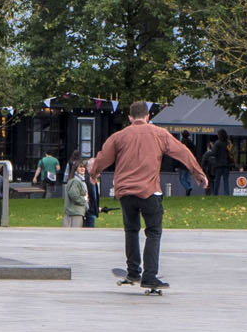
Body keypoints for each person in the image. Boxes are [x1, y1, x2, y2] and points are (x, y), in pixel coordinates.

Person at [89, 100, 207, 291]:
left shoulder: (119, 136)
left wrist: (94, 175)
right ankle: (150, 276)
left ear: (130, 118)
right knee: (153, 232)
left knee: (131, 230)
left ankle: (133, 271)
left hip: (125, 192)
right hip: (149, 191)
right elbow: (182, 151)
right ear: (147, 117)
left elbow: (102, 158)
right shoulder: (159, 134)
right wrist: (197, 172)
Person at [202, 130, 233, 197]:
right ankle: (226, 194)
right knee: (226, 181)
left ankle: (215, 193)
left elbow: (214, 152)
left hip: (218, 164)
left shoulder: (217, 143)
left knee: (217, 181)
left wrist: (207, 154)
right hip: (226, 164)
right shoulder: (228, 143)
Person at [63, 160, 90, 228]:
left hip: (76, 212)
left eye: (84, 167)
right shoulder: (75, 181)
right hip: (74, 214)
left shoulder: (80, 180)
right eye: (80, 167)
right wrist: (85, 199)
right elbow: (74, 195)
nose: (82, 169)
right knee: (74, 236)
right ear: (75, 169)